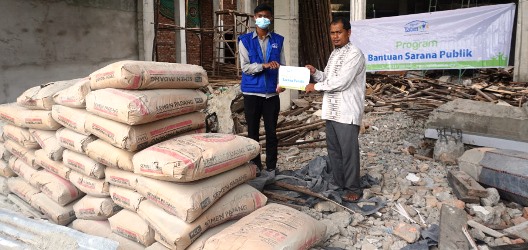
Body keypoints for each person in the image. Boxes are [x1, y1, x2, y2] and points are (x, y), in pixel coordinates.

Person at [305, 17, 366, 202]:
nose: (335, 36)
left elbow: (341, 82)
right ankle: (340, 184)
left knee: (348, 153)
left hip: (347, 111)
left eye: (339, 32)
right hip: (331, 110)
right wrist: (315, 73)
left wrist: (314, 87)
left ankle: (353, 188)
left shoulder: (355, 54)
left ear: (348, 32)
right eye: (332, 33)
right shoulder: (334, 54)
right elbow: (328, 77)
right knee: (334, 151)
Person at [238, 3, 285, 173]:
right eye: (259, 16)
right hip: (251, 93)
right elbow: (245, 67)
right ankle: (256, 167)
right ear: (254, 18)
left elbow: (283, 66)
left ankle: (271, 167)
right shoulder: (244, 41)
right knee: (253, 133)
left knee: (272, 133)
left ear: (271, 18)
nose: (263, 19)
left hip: (272, 94)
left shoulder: (278, 40)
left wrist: (283, 83)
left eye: (266, 16)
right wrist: (263, 66)